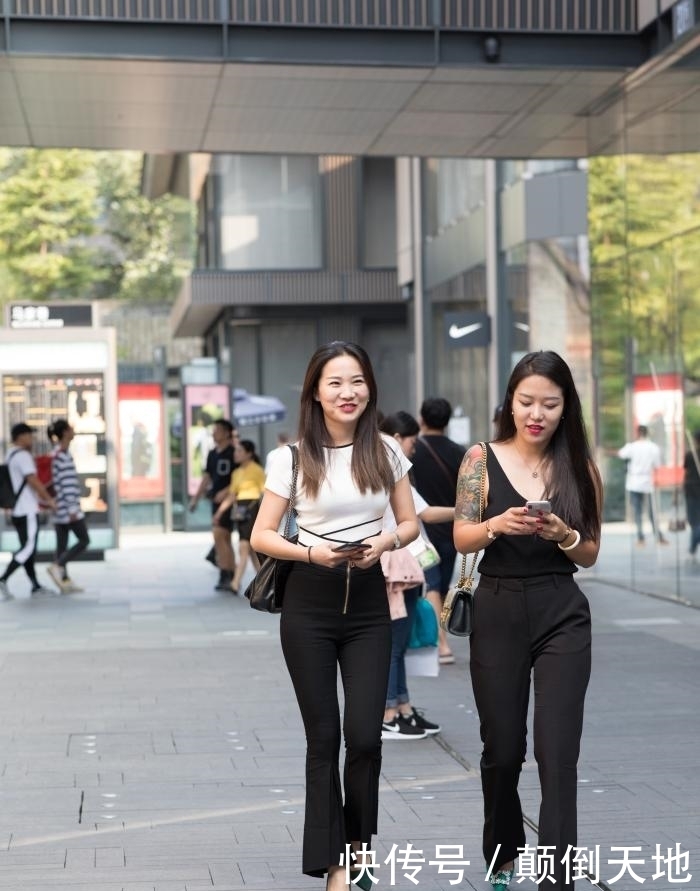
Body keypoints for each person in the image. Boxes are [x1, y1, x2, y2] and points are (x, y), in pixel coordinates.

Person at [250, 341, 418, 890]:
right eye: (335, 383)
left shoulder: (387, 450)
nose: (348, 393)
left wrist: (386, 540)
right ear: (315, 393)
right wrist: (310, 553)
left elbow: (410, 523)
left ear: (369, 388)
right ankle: (336, 866)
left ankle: (359, 847)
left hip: (370, 603)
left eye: (357, 382)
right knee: (323, 739)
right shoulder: (292, 458)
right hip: (309, 607)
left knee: (365, 737)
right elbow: (262, 535)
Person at [454, 350, 603, 890]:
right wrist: (498, 523)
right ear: (510, 403)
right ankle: (502, 851)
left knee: (558, 750)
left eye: (550, 404)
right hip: (496, 606)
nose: (536, 414)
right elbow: (462, 536)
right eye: (526, 402)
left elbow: (588, 554)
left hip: (560, 610)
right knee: (503, 749)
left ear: (566, 409)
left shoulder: (580, 467)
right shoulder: (479, 459)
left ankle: (556, 877)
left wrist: (561, 534)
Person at [379, 411, 453, 741]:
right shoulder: (387, 466)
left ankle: (402, 708)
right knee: (393, 645)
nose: (414, 448)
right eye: (410, 441)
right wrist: (467, 510)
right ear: (396, 439)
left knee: (398, 643)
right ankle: (389, 713)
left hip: (402, 566)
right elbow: (422, 514)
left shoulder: (383, 466)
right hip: (396, 566)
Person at [410, 397, 466, 664]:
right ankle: (440, 639)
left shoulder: (413, 450)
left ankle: (440, 642)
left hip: (422, 530)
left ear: (422, 419)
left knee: (432, 584)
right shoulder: (459, 452)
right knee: (440, 586)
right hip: (452, 529)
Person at [0, 423, 57, 599]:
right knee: (28, 548)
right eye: (29, 435)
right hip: (27, 509)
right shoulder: (23, 456)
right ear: (21, 437)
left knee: (27, 549)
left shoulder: (10, 455)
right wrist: (49, 500)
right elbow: (33, 480)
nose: (31, 439)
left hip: (17, 510)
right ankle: (3, 579)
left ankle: (35, 585)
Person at [189, 419, 237, 590]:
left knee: (219, 535)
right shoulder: (212, 453)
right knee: (224, 538)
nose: (213, 433)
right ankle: (230, 574)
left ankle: (226, 573)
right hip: (215, 501)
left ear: (226, 433)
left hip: (230, 501)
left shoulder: (234, 453)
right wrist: (195, 498)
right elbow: (206, 477)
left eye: (217, 430)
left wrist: (227, 491)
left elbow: (241, 477)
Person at [213, 439, 266, 594]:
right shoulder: (236, 472)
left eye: (239, 451)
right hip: (240, 511)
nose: (236, 454)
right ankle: (266, 582)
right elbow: (232, 496)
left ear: (249, 453)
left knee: (244, 547)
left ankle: (235, 582)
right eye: (236, 451)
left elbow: (264, 493)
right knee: (250, 550)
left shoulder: (257, 470)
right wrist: (219, 513)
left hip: (252, 509)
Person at [46, 419, 90, 593]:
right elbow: (67, 484)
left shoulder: (59, 454)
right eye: (70, 428)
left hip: (60, 508)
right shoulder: (61, 455)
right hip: (67, 508)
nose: (73, 431)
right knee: (84, 540)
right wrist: (72, 508)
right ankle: (58, 566)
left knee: (62, 546)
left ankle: (64, 582)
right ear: (65, 432)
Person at [618, 424, 669, 546]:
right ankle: (658, 536)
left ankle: (641, 538)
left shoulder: (632, 447)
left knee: (638, 512)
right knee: (652, 512)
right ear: (647, 433)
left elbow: (621, 454)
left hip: (634, 483)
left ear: (637, 433)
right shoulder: (653, 448)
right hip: (647, 482)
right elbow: (657, 465)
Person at [684, 429, 700, 562]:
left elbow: (686, 473)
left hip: (692, 491)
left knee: (695, 523)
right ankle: (692, 549)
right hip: (693, 491)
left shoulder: (690, 455)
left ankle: (692, 549)